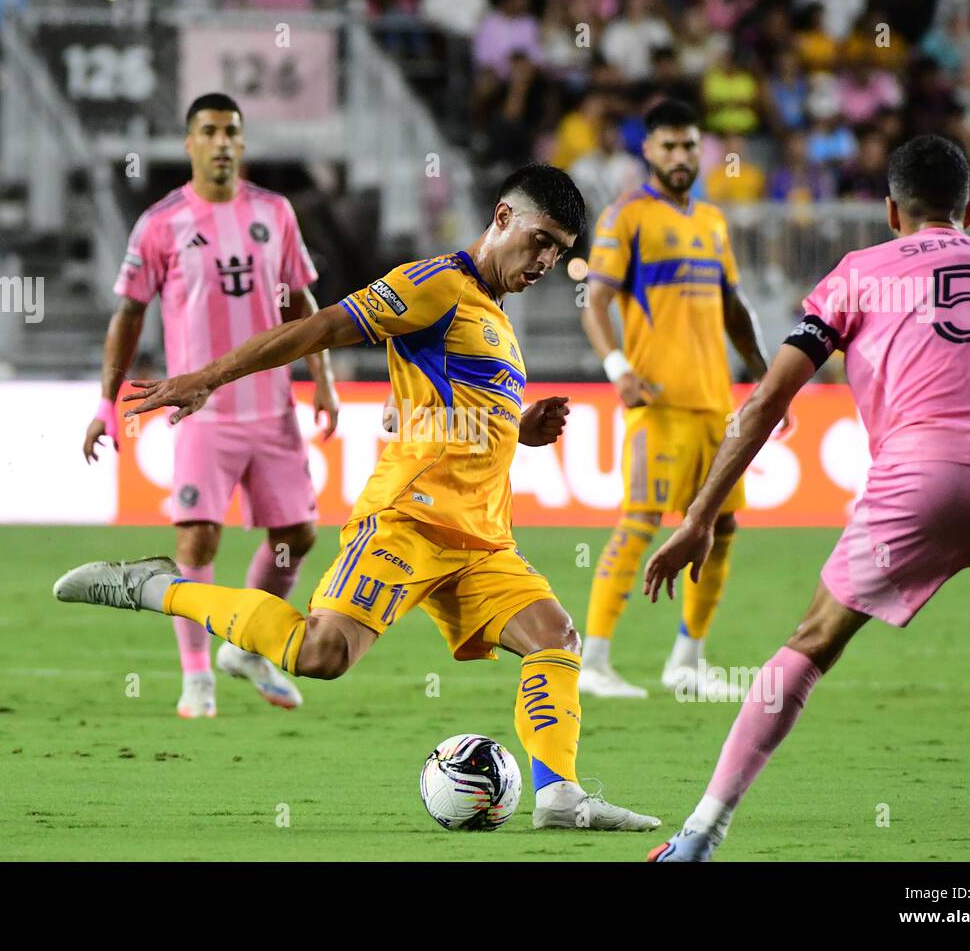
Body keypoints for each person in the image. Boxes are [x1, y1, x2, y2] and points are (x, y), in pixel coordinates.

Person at [55, 164, 660, 832]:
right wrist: (207, 378)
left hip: (481, 538)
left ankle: (560, 798)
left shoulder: (492, 315)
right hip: (408, 521)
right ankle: (157, 587)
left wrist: (517, 429)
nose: (546, 259)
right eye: (541, 239)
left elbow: (448, 413)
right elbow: (318, 329)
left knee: (556, 637)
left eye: (560, 251)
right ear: (501, 218)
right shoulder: (430, 287)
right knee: (322, 655)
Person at [645, 135, 970, 861]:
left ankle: (699, 836)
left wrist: (698, 518)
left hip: (918, 479)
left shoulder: (857, 272)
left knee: (812, 643)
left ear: (890, 211)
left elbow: (765, 405)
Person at [82, 93, 338, 719]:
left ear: (242, 143)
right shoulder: (161, 222)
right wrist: (107, 400)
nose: (222, 141)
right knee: (196, 539)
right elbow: (129, 315)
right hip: (201, 414)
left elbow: (302, 307)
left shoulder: (275, 213)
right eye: (209, 131)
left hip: (271, 408)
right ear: (189, 141)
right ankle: (197, 675)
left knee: (298, 536)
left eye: (231, 131)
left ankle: (244, 649)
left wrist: (323, 379)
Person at [579, 100, 784, 700]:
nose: (679, 157)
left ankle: (686, 663)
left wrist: (769, 379)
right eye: (668, 146)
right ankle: (593, 662)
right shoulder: (626, 217)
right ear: (648, 151)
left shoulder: (712, 222)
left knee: (721, 527)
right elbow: (594, 303)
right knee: (639, 521)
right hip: (657, 401)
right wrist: (618, 368)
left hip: (716, 406)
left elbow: (733, 311)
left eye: (689, 146)